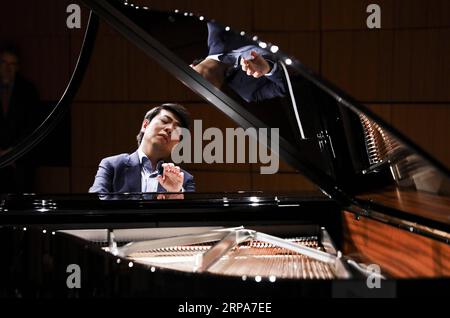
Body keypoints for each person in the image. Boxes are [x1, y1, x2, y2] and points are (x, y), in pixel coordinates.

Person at [89, 103, 195, 194]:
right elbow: (94, 205)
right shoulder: (113, 165)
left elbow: (191, 216)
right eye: (164, 120)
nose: (170, 129)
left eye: (177, 129)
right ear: (145, 125)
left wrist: (176, 193)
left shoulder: (185, 180)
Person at [191, 21, 286, 103]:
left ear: (191, 66)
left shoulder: (216, 29)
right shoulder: (248, 93)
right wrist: (270, 70)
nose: (200, 88)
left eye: (192, 81)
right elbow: (284, 89)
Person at [0, 46, 40, 193]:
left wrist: (13, 152)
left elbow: (33, 126)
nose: (7, 68)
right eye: (4, 63)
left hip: (20, 161)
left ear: (18, 67)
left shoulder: (28, 90)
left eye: (12, 64)